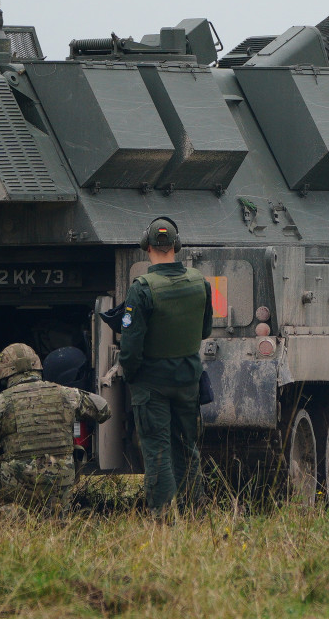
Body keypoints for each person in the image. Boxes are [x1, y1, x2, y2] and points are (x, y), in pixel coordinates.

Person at [105, 216, 212, 514]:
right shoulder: (200, 283)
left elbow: (131, 347)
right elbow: (204, 331)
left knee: (157, 450)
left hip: (151, 384)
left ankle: (164, 516)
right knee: (186, 446)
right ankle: (195, 512)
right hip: (188, 380)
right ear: (177, 245)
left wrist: (132, 374)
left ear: (146, 246)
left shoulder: (141, 289)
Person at [0, 343, 110, 516]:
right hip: (61, 480)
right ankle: (57, 512)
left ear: (4, 372)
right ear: (37, 365)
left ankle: (11, 513)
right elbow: (103, 409)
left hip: (19, 485)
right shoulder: (65, 393)